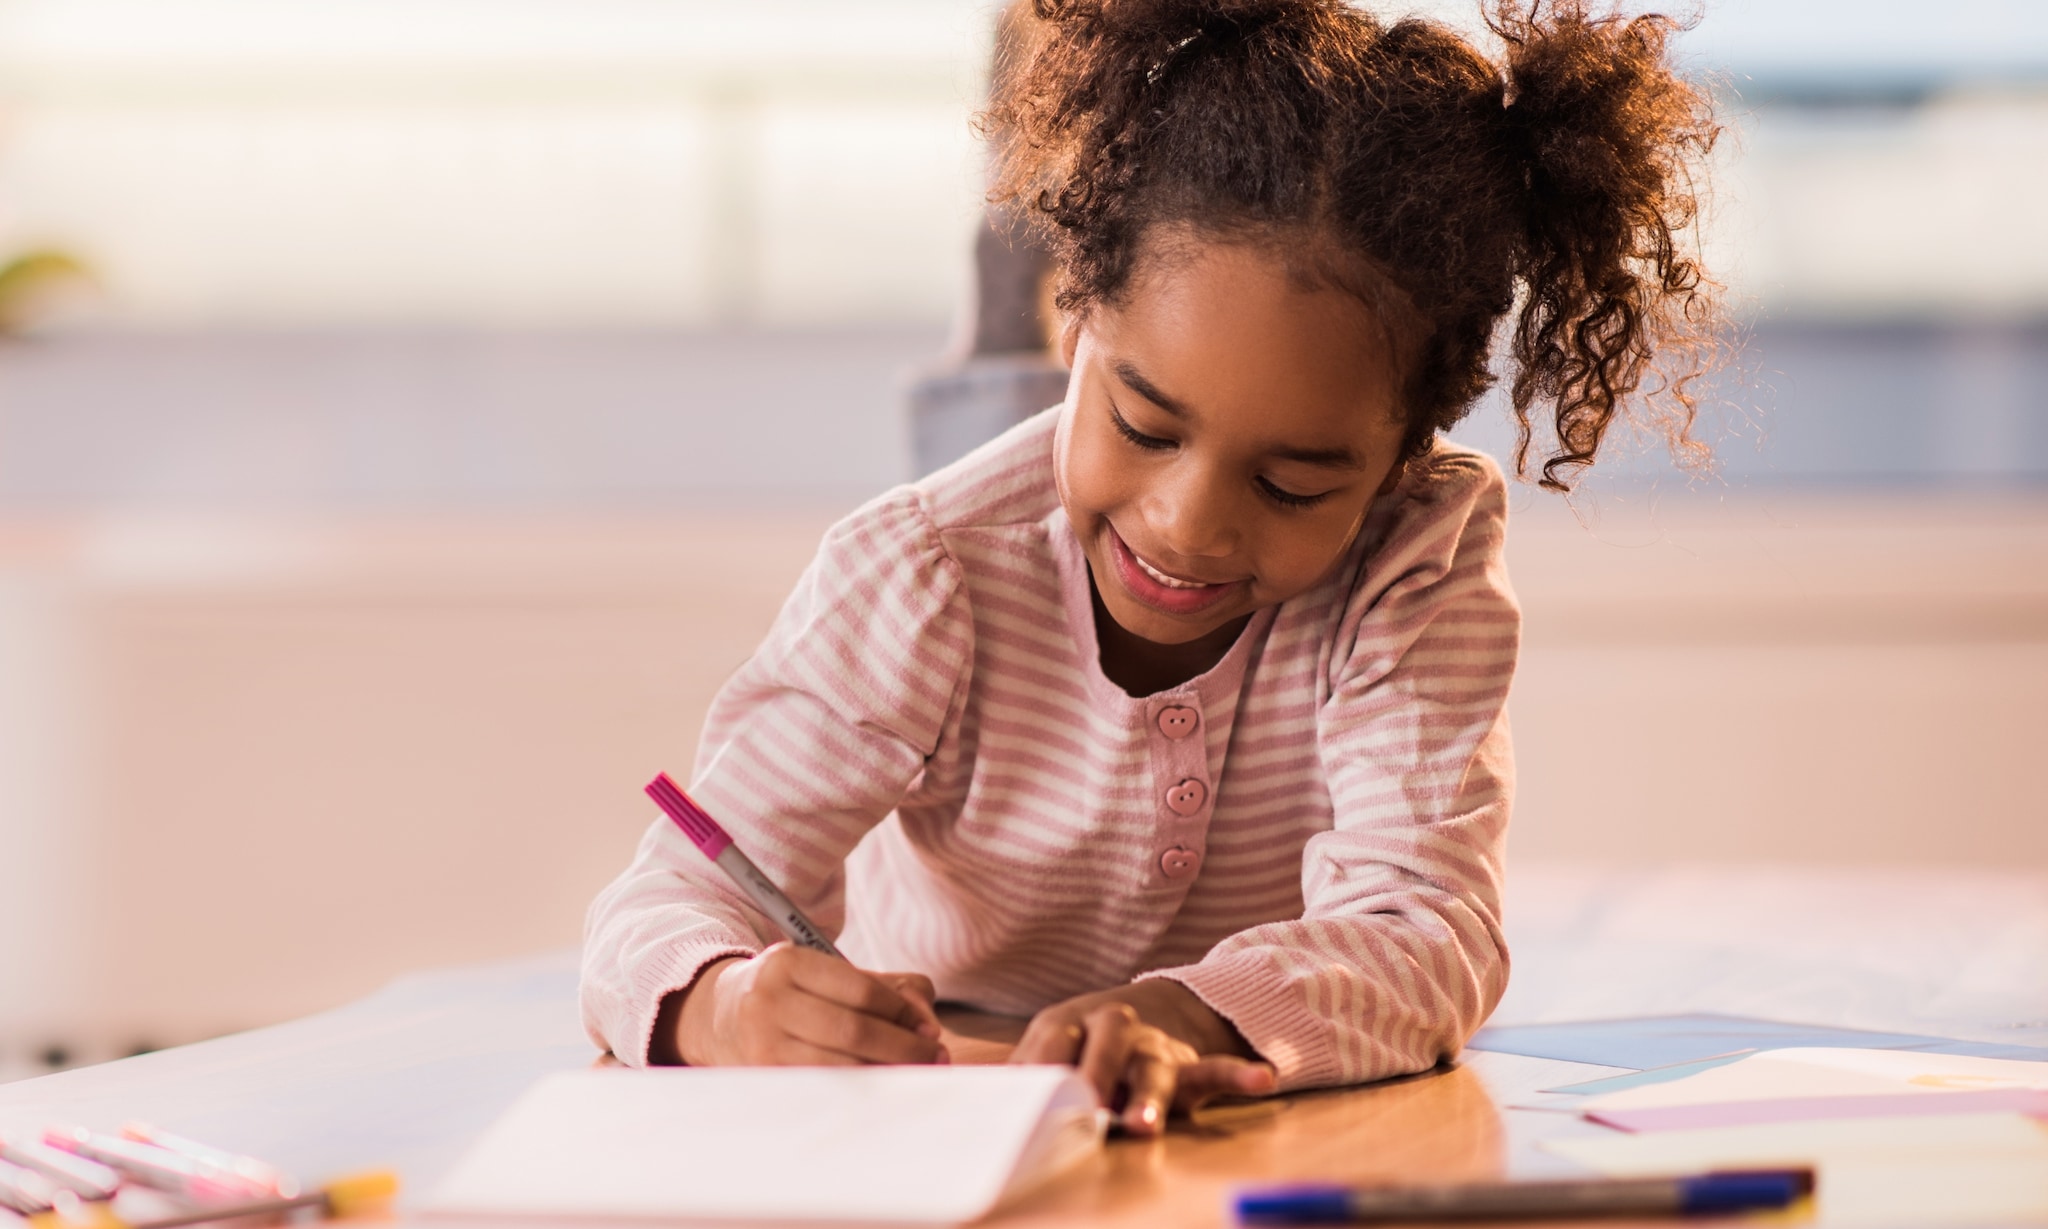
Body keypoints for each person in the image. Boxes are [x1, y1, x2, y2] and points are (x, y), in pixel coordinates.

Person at [581, 0, 1717, 1135]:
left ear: (1400, 453)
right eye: (1145, 423)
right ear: (1073, 318)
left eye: (1290, 484)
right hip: (943, 1105)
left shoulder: (1413, 560)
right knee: (988, 446)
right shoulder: (917, 576)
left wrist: (1190, 1014)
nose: (1187, 527)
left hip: (1213, 1097)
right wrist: (720, 1004)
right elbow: (664, 903)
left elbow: (1427, 927)